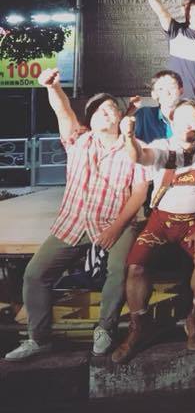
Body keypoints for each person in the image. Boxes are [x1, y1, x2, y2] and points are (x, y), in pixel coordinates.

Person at [5, 69, 149, 361]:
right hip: (74, 221)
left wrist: (115, 228)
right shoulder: (78, 141)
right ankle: (39, 338)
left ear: (120, 117)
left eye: (111, 108)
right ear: (90, 121)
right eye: (98, 111)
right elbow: (63, 111)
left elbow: (139, 194)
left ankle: (105, 328)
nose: (105, 112)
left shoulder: (136, 148)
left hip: (116, 221)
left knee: (119, 269)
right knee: (35, 273)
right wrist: (53, 87)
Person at [111, 100, 195, 362]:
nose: (188, 124)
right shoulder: (163, 146)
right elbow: (140, 156)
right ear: (171, 122)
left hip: (193, 222)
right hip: (160, 221)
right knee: (135, 266)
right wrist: (129, 136)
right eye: (182, 119)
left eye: (194, 118)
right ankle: (139, 327)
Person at [140, 0, 195, 102]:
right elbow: (162, 13)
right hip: (175, 98)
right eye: (192, 9)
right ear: (183, 10)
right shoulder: (176, 30)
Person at [132, 70, 183, 143]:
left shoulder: (192, 115)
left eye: (172, 87)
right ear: (154, 94)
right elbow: (128, 139)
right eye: (161, 89)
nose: (167, 93)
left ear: (181, 90)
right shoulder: (144, 115)